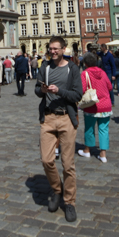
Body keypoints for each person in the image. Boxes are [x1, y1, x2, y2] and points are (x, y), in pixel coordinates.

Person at [35, 36, 83, 223]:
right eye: (50, 48)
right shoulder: (45, 67)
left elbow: (77, 94)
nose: (53, 51)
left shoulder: (72, 69)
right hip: (47, 118)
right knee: (46, 160)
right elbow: (37, 90)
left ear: (64, 49)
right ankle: (57, 189)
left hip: (66, 119)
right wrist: (44, 91)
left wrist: (59, 91)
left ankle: (69, 202)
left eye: (56, 49)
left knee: (68, 164)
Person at [77, 52, 113, 162]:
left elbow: (82, 89)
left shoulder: (85, 73)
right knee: (103, 129)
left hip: (92, 105)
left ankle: (87, 150)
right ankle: (103, 154)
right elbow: (110, 87)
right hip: (106, 105)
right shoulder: (102, 72)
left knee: (89, 128)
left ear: (85, 63)